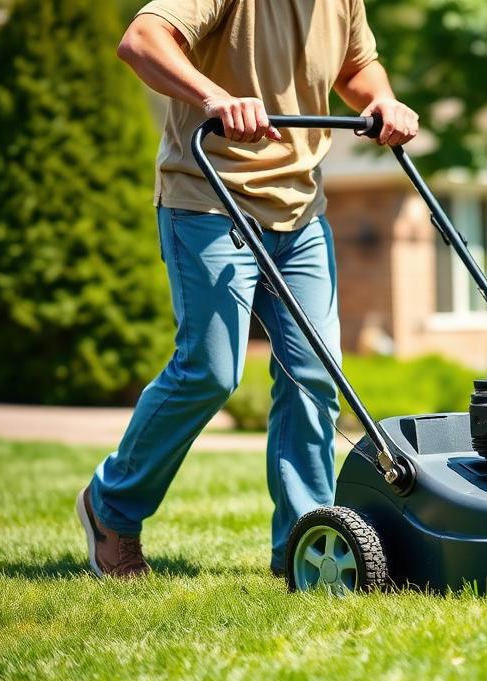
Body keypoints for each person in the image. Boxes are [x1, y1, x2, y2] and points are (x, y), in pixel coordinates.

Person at [75, 0, 418, 578]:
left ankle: (304, 546)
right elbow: (141, 39)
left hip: (302, 212)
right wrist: (214, 97)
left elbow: (358, 68)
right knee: (209, 371)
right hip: (208, 198)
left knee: (314, 373)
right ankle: (111, 506)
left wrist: (381, 99)